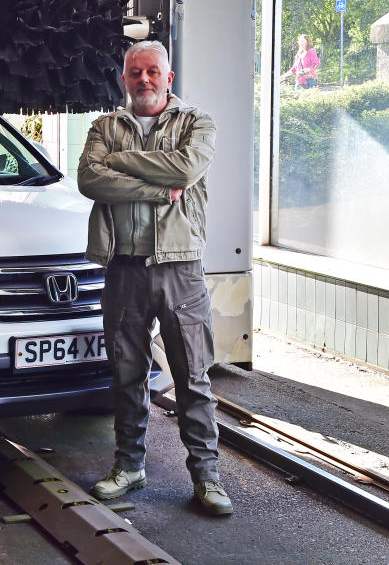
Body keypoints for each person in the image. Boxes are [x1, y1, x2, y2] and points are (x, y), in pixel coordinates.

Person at [76, 40, 232, 516]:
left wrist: (118, 162)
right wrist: (157, 188)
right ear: (123, 79)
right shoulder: (105, 125)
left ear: (169, 77)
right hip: (123, 266)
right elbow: (89, 180)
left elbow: (187, 167)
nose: (143, 79)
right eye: (134, 72)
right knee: (126, 375)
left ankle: (207, 476)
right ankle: (129, 466)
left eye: (152, 72)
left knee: (192, 376)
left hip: (180, 267)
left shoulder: (197, 123)